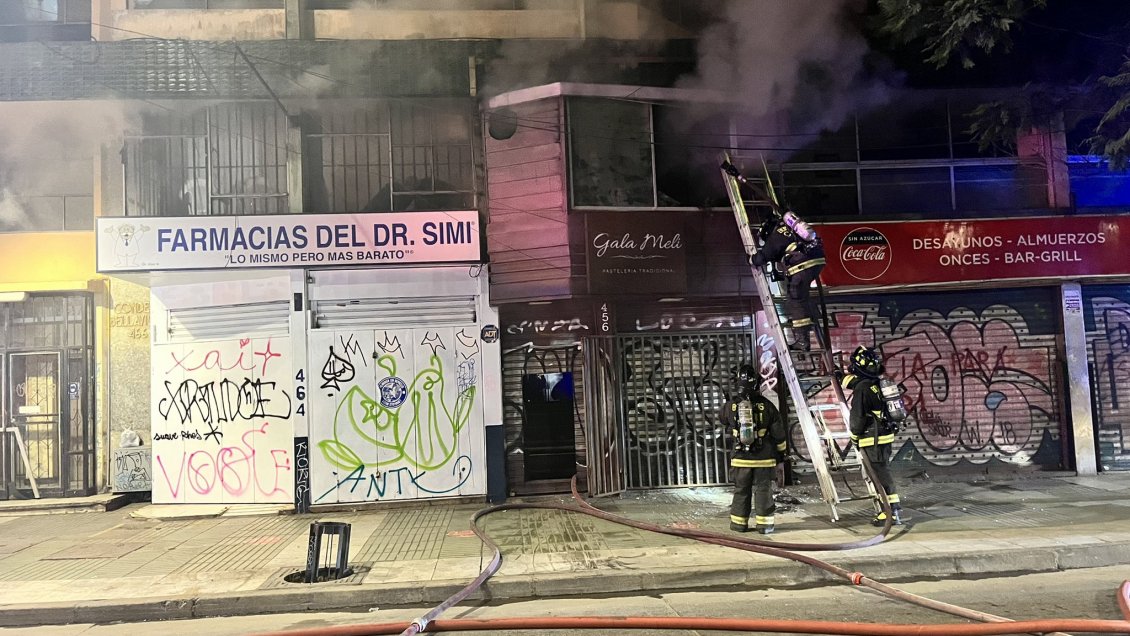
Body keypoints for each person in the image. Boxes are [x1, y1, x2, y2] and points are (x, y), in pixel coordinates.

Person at [720, 364, 787, 534]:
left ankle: (738, 524)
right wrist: (781, 456)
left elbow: (722, 419)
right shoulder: (767, 405)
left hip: (740, 459)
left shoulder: (731, 406)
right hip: (764, 459)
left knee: (741, 490)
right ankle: (765, 526)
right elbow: (779, 434)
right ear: (757, 384)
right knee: (763, 491)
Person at [841, 345, 903, 526]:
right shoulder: (876, 384)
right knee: (883, 471)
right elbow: (857, 382)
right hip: (884, 435)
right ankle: (893, 510)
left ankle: (890, 511)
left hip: (872, 438)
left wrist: (854, 435)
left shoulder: (863, 389)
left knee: (880, 475)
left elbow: (858, 417)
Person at [749, 214, 826, 351]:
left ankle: (802, 341)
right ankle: (812, 318)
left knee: (795, 299)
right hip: (817, 261)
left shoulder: (776, 237)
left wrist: (750, 259)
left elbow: (762, 258)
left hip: (803, 266)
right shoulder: (791, 229)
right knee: (803, 296)